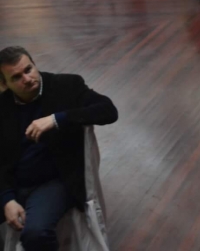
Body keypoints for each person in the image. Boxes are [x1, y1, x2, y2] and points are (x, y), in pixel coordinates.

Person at [0, 46, 118, 251]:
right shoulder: (2, 105)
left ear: (34, 64)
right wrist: (7, 198)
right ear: (4, 84)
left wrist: (57, 119)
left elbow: (108, 110)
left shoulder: (67, 85)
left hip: (52, 182)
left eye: (28, 70)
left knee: (36, 233)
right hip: (12, 182)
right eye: (16, 77)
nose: (27, 79)